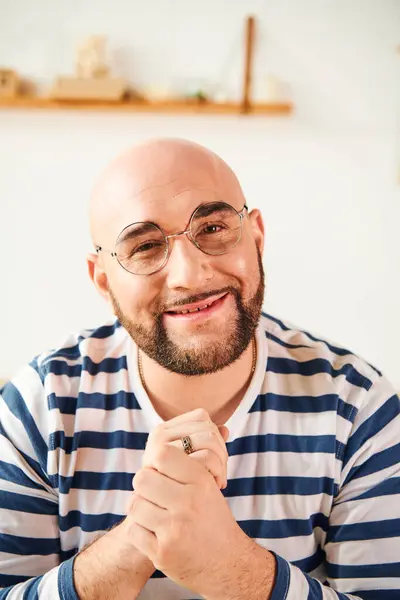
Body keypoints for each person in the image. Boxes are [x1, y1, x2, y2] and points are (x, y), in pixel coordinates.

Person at [0, 138, 399, 600]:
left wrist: (234, 571)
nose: (190, 274)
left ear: (257, 236)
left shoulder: (358, 408)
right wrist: (138, 539)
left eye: (212, 226)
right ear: (103, 281)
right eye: (146, 246)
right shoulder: (39, 408)